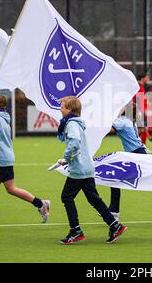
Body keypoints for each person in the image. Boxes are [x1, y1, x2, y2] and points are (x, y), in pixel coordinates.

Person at [0, 95, 50, 230]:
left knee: (11, 189)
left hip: (2, 160)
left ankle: (41, 204)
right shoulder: (1, 118)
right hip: (1, 159)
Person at [55, 96, 127, 244]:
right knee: (93, 198)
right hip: (86, 167)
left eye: (62, 106)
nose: (60, 109)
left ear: (69, 109)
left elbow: (74, 142)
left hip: (79, 169)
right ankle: (115, 225)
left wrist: (65, 158)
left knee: (66, 197)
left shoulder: (71, 124)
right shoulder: (75, 122)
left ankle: (76, 231)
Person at [134, 73, 149, 150]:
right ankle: (140, 146)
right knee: (141, 129)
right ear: (142, 79)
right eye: (147, 77)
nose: (148, 79)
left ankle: (141, 145)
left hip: (140, 110)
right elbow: (139, 101)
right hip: (139, 111)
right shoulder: (139, 88)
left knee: (141, 129)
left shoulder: (141, 87)